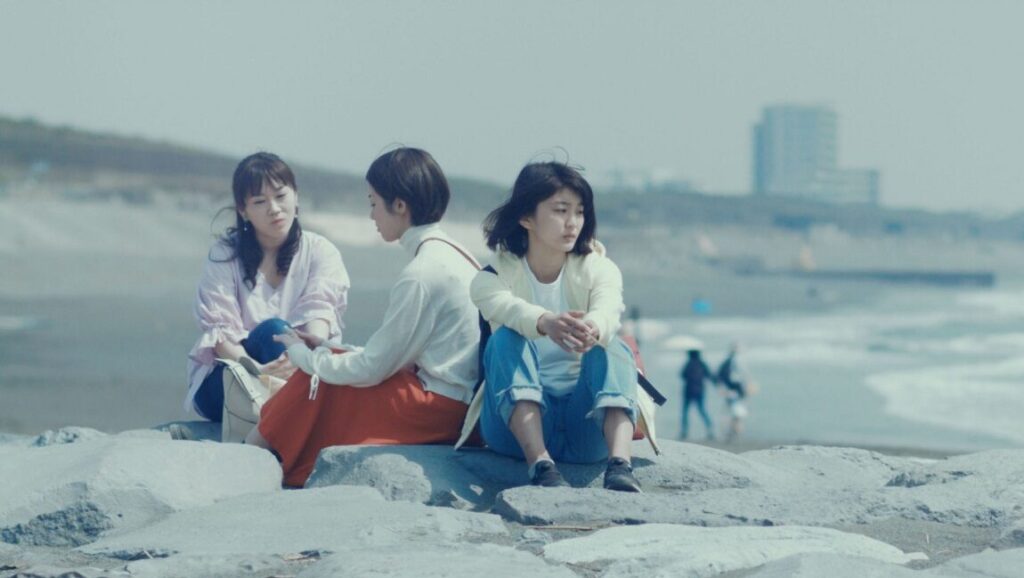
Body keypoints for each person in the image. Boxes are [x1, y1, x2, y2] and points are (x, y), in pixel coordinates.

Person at [246, 147, 480, 487]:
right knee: (327, 366)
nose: (371, 216)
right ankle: (270, 457)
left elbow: (373, 368)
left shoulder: (421, 273)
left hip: (436, 408)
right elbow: (389, 357)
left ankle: (252, 457)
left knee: (316, 379)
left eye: (373, 203)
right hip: (455, 401)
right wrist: (325, 347)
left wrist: (304, 357)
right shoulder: (454, 253)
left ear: (399, 206)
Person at [466, 161, 642, 492]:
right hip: (513, 432)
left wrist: (590, 328)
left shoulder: (600, 268)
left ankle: (620, 465)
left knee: (613, 346)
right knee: (504, 340)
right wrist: (545, 322)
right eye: (561, 211)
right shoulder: (490, 279)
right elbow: (508, 308)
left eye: (579, 212)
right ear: (526, 217)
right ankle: (541, 465)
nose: (573, 223)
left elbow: (608, 311)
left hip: (587, 427)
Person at [185, 152, 350, 423]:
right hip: (229, 379)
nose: (274, 208)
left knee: (287, 338)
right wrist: (260, 373)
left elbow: (318, 319)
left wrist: (302, 360)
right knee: (276, 331)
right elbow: (220, 335)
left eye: (281, 196)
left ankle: (295, 420)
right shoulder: (224, 255)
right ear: (243, 211)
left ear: (296, 197)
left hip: (296, 372)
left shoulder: (320, 251)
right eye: (260, 201)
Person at [717, 342, 751, 442]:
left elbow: (720, 376)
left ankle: (732, 432)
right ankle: (733, 432)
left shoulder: (729, 362)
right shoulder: (733, 362)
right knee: (737, 412)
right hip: (734, 391)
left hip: (733, 391)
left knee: (734, 412)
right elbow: (735, 378)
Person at [679, 349, 715, 440]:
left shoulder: (689, 364)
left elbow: (682, 375)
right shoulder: (702, 364)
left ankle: (684, 432)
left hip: (688, 391)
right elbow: (710, 376)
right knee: (702, 410)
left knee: (685, 412)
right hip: (700, 390)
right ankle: (710, 429)